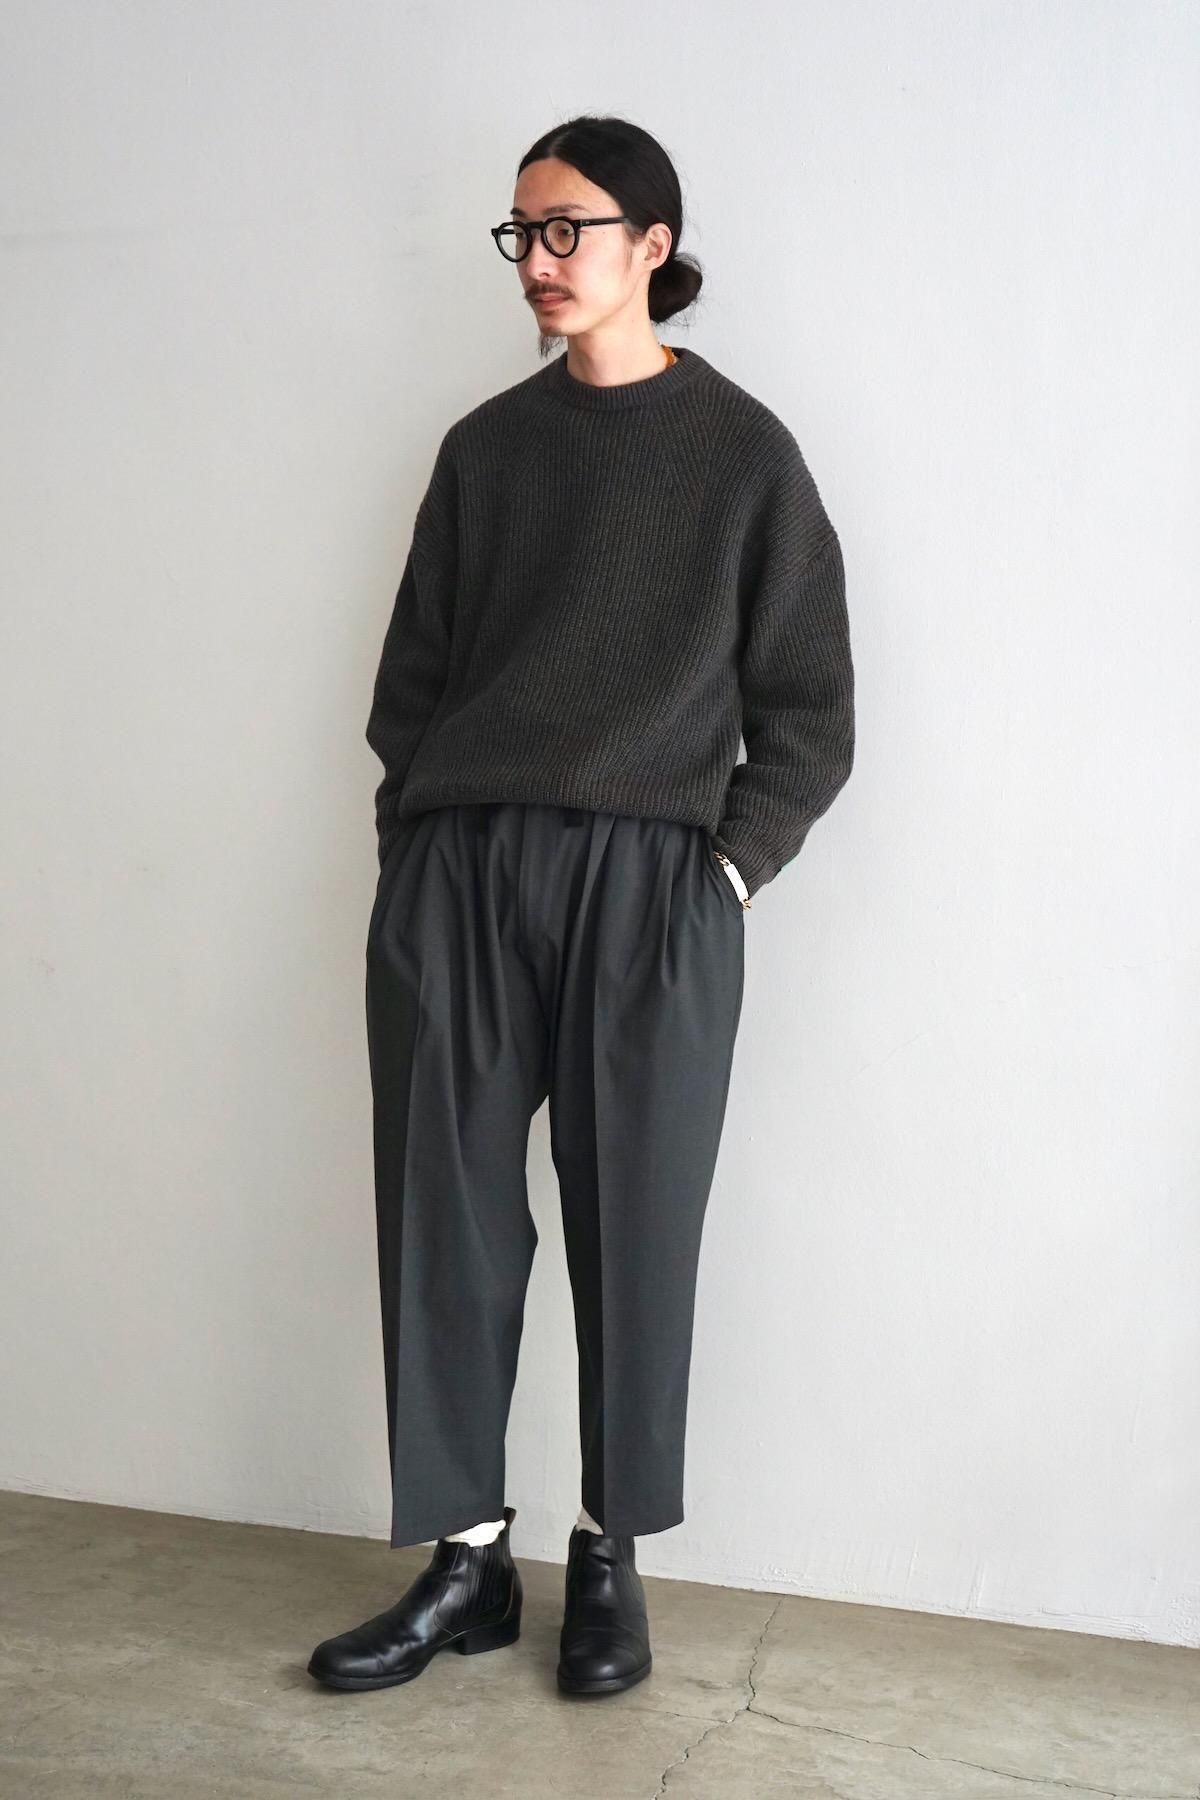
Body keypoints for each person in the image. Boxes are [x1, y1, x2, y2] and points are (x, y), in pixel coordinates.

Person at [308, 113, 855, 1699]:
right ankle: (466, 1560)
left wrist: (726, 870)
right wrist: (418, 852)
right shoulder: (487, 451)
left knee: (639, 1227)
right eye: (522, 234)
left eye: (569, 230)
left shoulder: (744, 456)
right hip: (464, 874)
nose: (539, 262)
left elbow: (811, 710)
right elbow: (413, 684)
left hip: (652, 887)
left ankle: (610, 1556)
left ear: (651, 246)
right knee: (446, 1221)